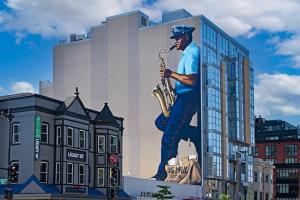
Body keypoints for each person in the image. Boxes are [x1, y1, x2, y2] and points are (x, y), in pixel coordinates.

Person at [152, 25, 201, 181]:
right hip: (182, 97)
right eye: (175, 39)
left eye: (177, 38)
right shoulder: (186, 53)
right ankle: (193, 134)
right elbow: (185, 80)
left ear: (186, 36)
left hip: (189, 98)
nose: (175, 42)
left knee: (169, 137)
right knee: (161, 122)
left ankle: (164, 174)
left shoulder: (192, 53)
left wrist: (171, 74)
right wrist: (173, 89)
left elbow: (192, 80)